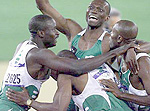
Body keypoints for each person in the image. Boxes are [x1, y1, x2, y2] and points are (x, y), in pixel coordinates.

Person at [0, 14, 132, 111]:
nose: (57, 33)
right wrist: (114, 52)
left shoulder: (22, 46)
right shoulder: (40, 54)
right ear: (41, 33)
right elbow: (76, 68)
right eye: (53, 29)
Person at [35, 0, 150, 110]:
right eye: (91, 7)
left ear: (107, 18)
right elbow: (43, 6)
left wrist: (130, 49)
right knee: (63, 58)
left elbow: (136, 42)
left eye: (100, 10)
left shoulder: (108, 40)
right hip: (73, 91)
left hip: (99, 96)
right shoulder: (74, 31)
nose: (94, 11)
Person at [100, 20, 150, 111]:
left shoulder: (142, 63)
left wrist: (121, 94)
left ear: (119, 38)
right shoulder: (121, 57)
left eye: (111, 33)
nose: (109, 36)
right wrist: (130, 48)